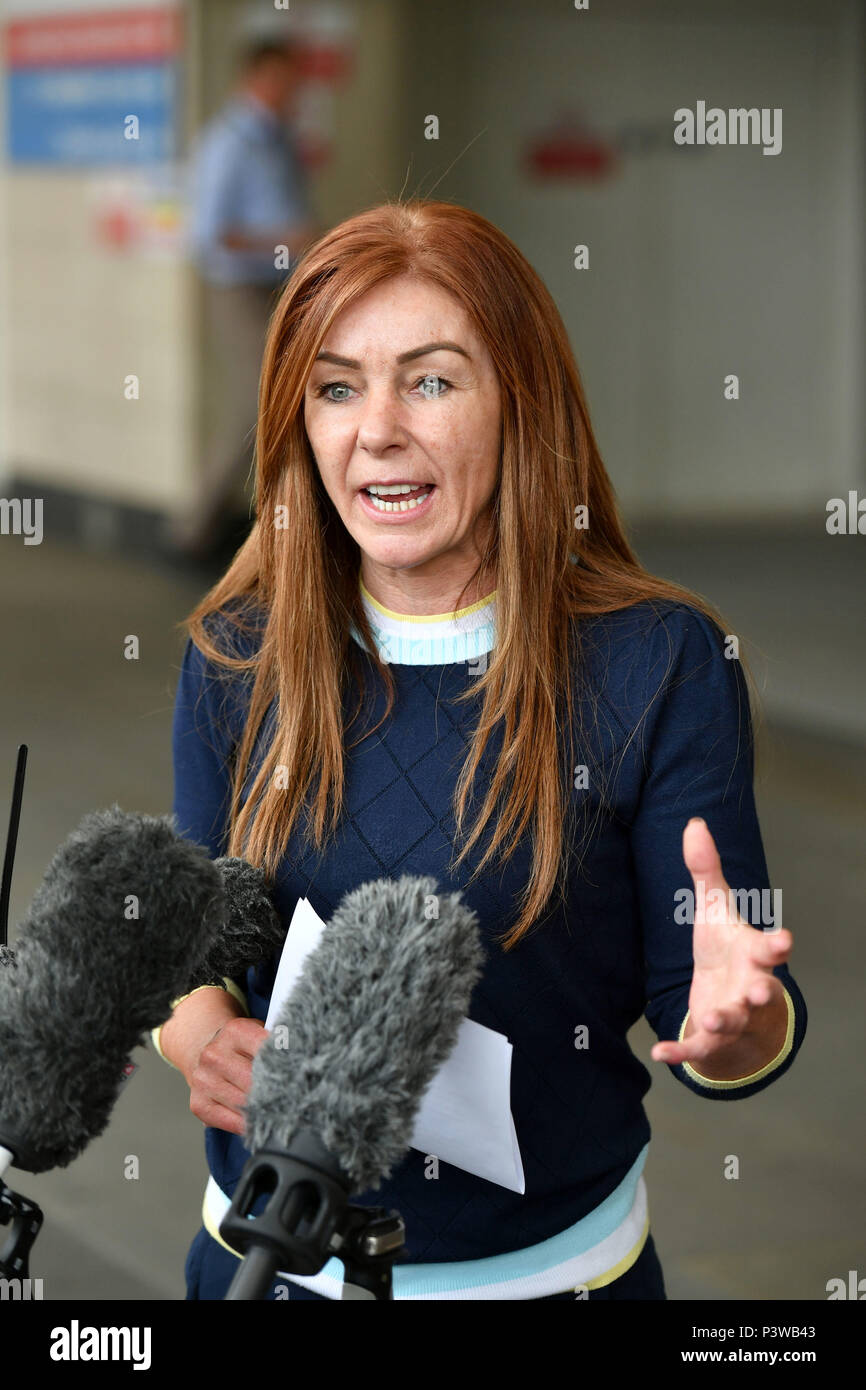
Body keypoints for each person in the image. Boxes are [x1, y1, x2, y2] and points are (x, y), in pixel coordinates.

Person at [154, 199, 807, 1301]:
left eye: (432, 380)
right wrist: (199, 1032)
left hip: (551, 1283)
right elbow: (190, 948)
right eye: (336, 386)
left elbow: (726, 1024)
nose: (377, 431)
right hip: (263, 1267)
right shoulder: (238, 651)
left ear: (520, 405)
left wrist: (736, 1024)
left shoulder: (659, 662)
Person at [169, 36, 317, 562]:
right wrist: (284, 240)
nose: (291, 90)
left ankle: (283, 531)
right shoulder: (226, 142)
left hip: (283, 285)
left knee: (301, 397)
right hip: (239, 288)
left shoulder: (278, 138)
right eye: (281, 80)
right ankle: (193, 532)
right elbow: (211, 234)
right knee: (258, 406)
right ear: (254, 78)